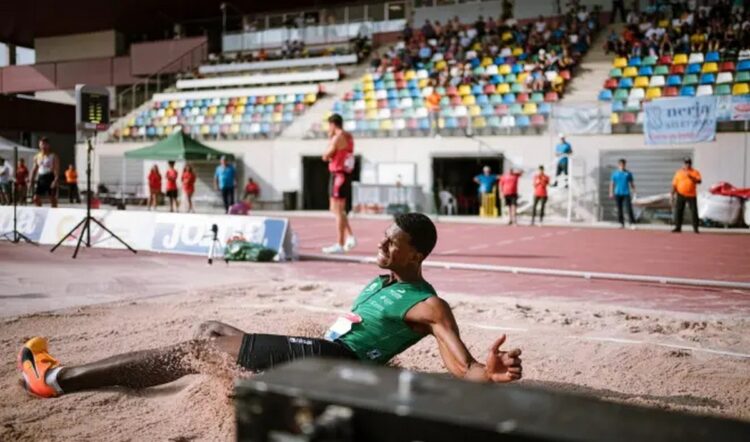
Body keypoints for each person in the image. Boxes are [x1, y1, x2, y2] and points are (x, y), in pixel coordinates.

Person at [17, 213, 523, 399]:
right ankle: (250, 383)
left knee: (199, 346)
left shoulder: (428, 303)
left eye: (393, 244)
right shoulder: (381, 279)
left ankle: (56, 380)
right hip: (322, 354)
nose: (383, 246)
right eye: (385, 239)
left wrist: (489, 372)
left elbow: (463, 366)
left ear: (417, 253)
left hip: (333, 364)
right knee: (208, 328)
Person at [322, 113, 356, 254]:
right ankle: (350, 236)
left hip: (338, 175)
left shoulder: (337, 138)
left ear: (333, 124)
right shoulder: (349, 136)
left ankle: (340, 243)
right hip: (343, 174)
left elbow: (325, 156)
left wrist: (330, 139)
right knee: (336, 210)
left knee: (337, 211)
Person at [671, 157, 702, 234]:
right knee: (679, 211)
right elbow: (674, 184)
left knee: (694, 211)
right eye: (686, 163)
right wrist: (672, 194)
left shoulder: (695, 172)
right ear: (684, 164)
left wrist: (691, 177)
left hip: (691, 195)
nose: (687, 164)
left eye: (689, 163)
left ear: (691, 164)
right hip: (680, 194)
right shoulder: (679, 172)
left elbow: (699, 181)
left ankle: (695, 228)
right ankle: (678, 227)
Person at [31, 137, 59, 208]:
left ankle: (54, 212)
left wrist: (55, 180)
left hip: (50, 177)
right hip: (41, 178)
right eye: (41, 144)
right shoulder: (37, 156)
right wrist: (31, 179)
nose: (43, 146)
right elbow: (34, 169)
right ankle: (40, 212)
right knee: (35, 198)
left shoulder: (53, 156)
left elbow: (56, 169)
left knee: (52, 198)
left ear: (48, 145)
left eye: (45, 144)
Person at [609, 158, 637, 229]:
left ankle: (632, 223)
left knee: (629, 208)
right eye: (620, 164)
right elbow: (612, 184)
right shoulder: (615, 174)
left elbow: (632, 184)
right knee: (619, 209)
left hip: (626, 193)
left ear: (625, 165)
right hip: (618, 193)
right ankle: (621, 223)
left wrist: (634, 193)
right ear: (618, 165)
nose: (622, 166)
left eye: (623, 164)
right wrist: (611, 192)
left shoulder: (628, 173)